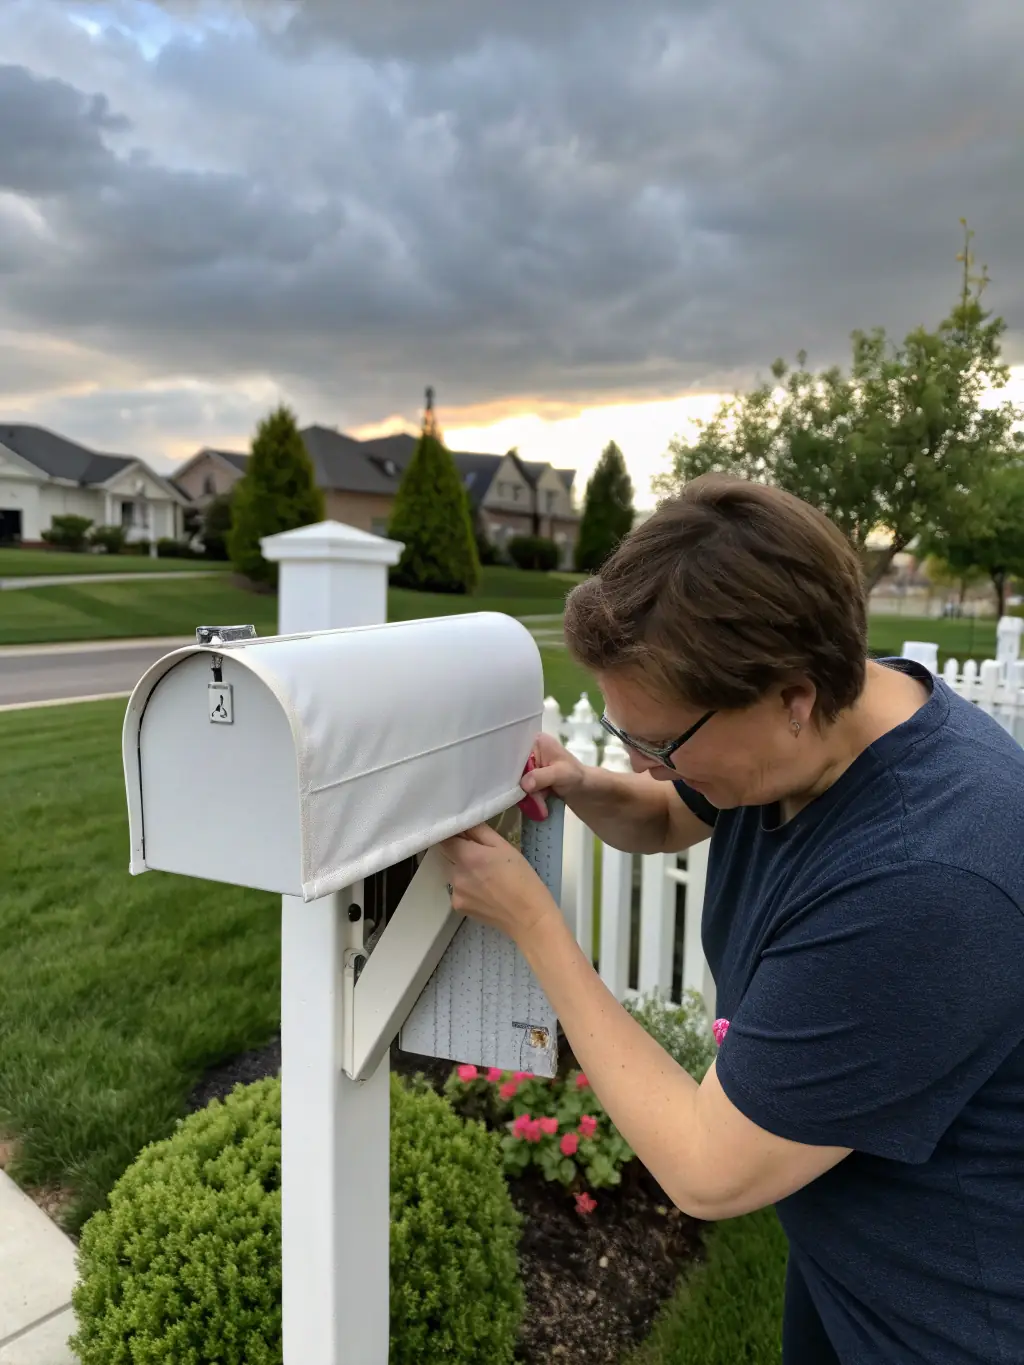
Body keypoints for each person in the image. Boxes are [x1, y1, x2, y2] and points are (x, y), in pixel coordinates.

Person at [439, 475, 1024, 1365]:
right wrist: (591, 785)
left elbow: (708, 1167)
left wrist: (535, 925)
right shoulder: (829, 727)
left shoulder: (924, 878)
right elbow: (679, 810)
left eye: (660, 741)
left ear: (792, 697)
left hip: (949, 1318)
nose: (643, 758)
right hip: (853, 1264)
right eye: (619, 729)